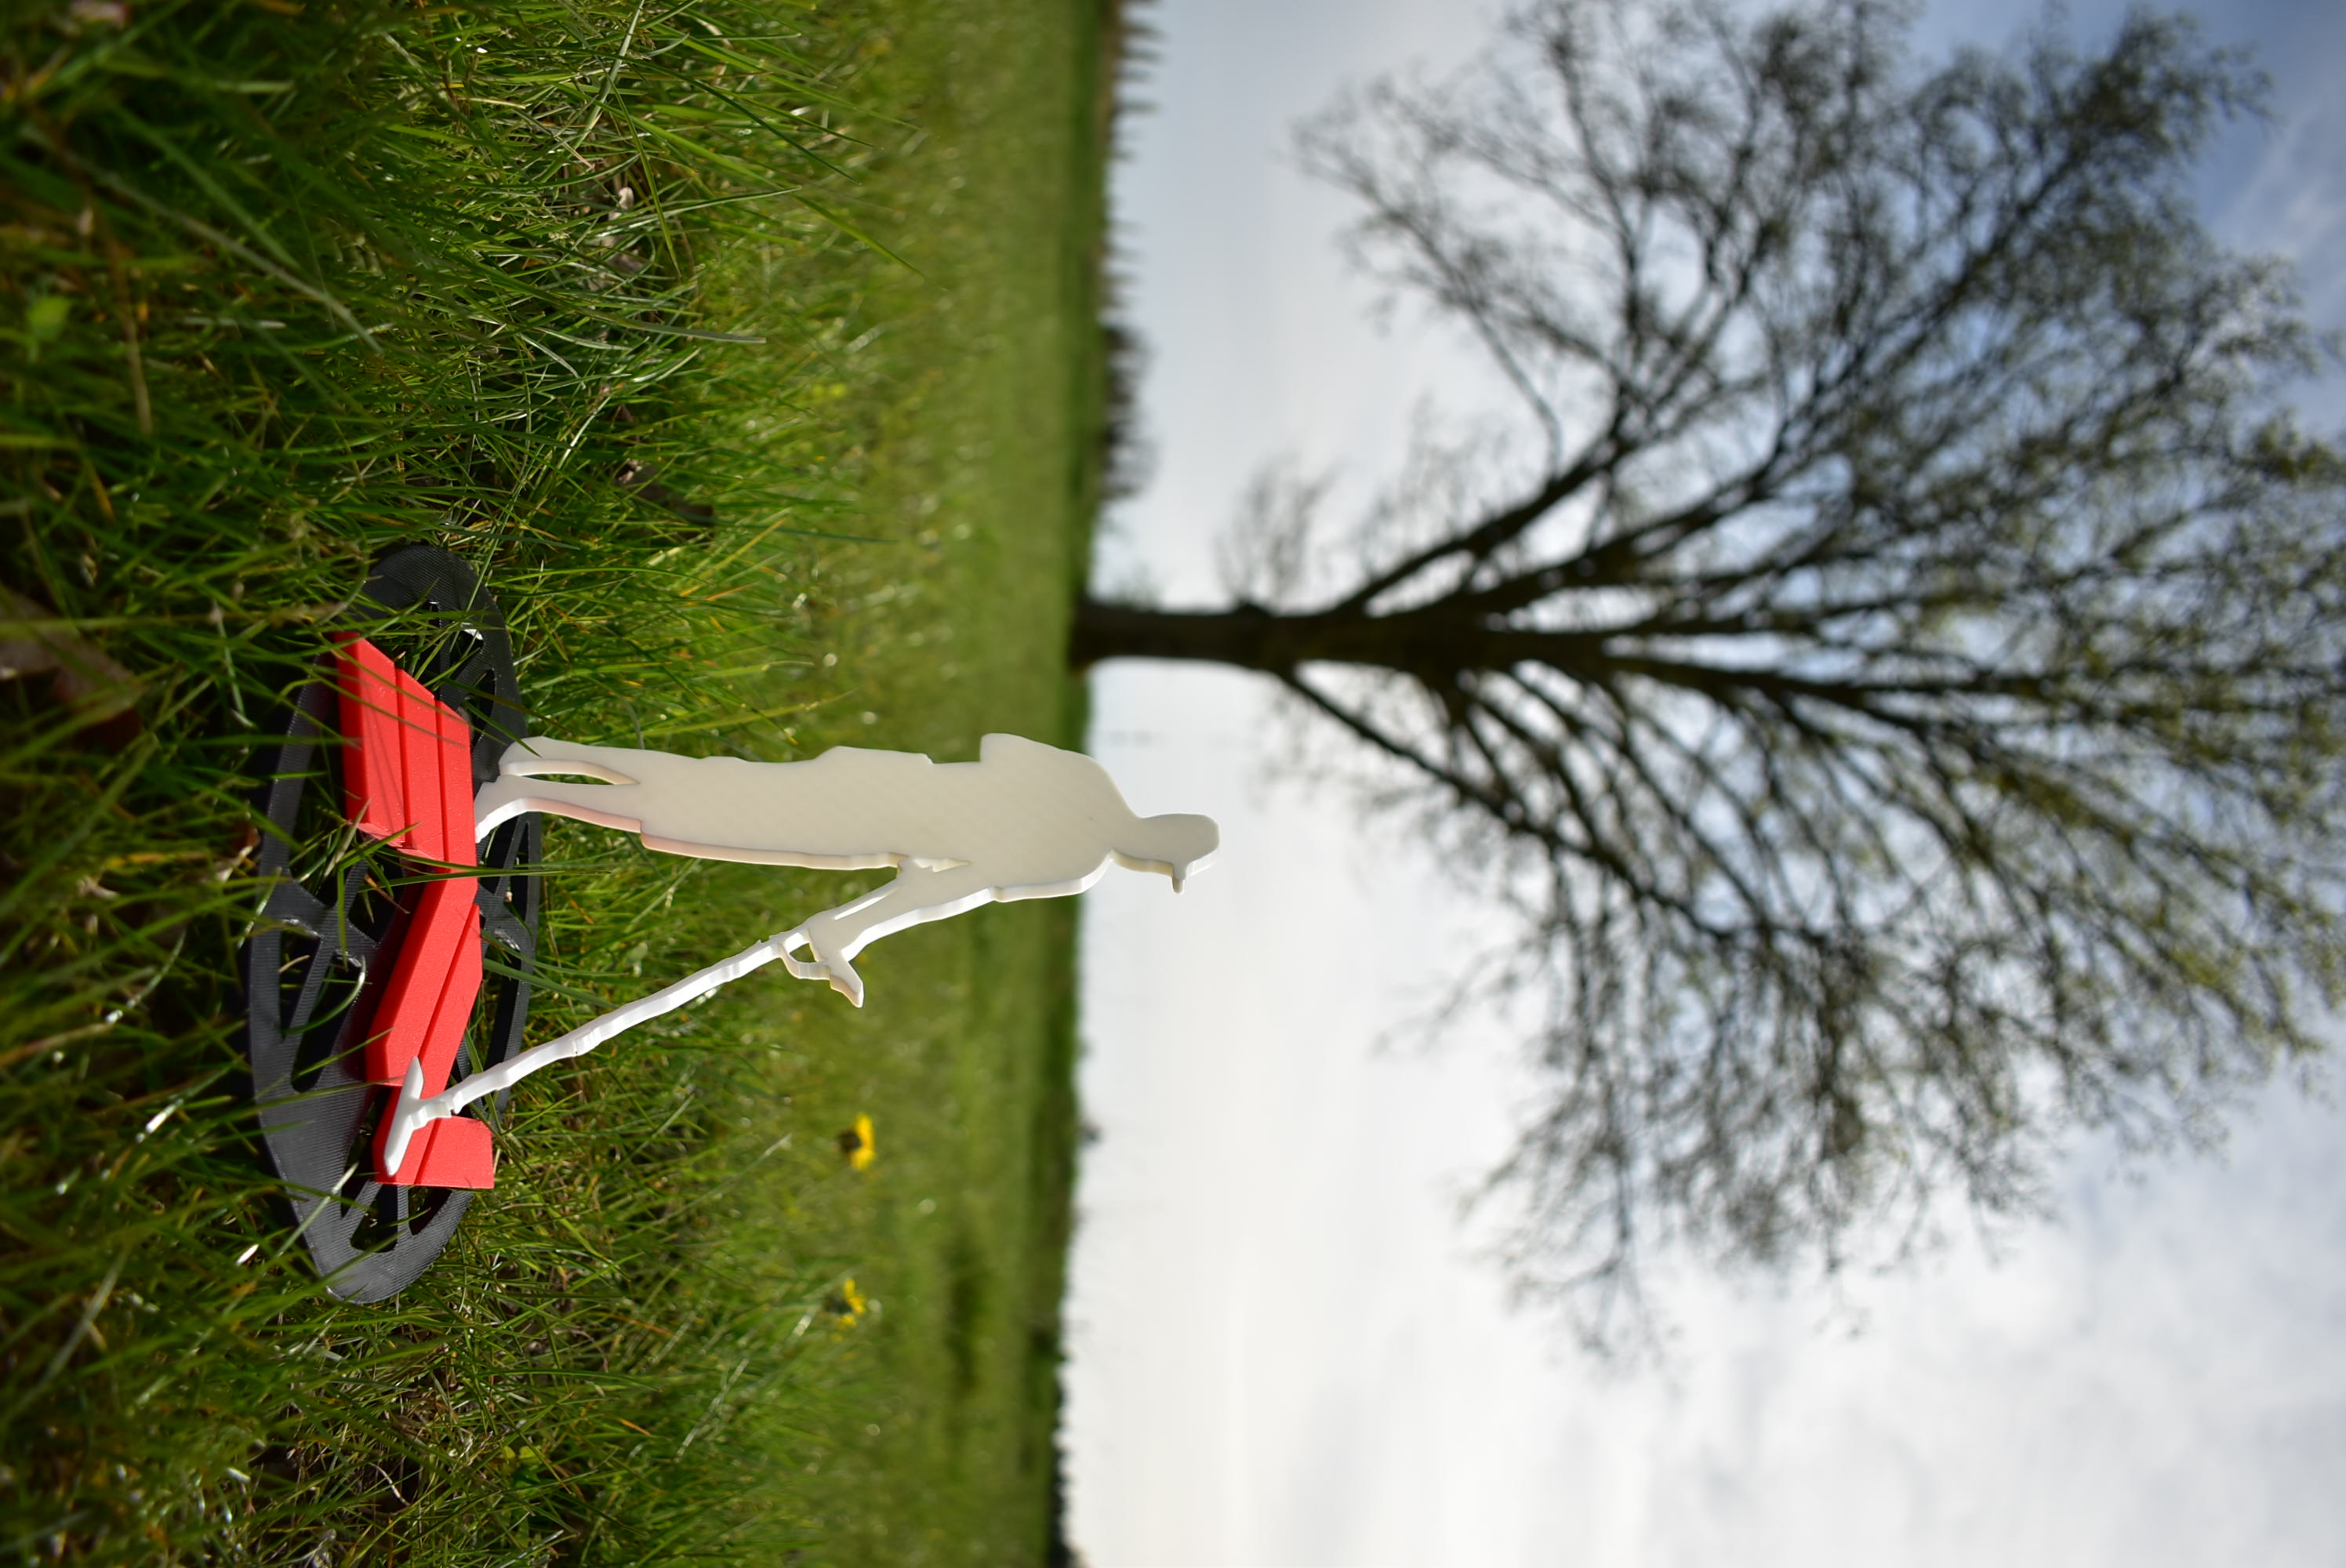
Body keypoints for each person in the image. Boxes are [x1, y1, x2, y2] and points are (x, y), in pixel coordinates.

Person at [473, 731, 1218, 1004]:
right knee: (718, 805)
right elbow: (976, 834)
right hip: (884, 801)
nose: (1158, 861)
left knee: (721, 798)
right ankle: (534, 772)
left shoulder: (1082, 829)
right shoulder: (1078, 826)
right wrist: (853, 926)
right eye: (1171, 855)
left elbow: (963, 871)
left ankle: (534, 774)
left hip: (892, 801)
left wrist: (849, 932)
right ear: (1166, 835)